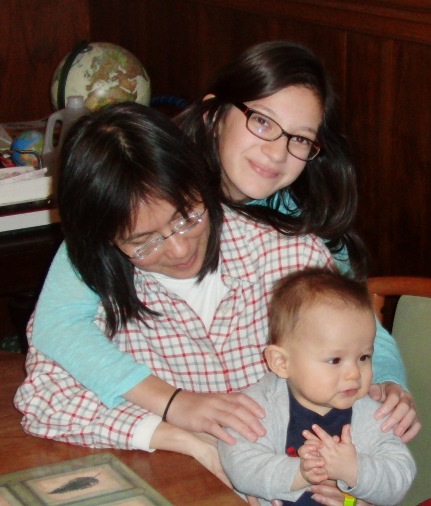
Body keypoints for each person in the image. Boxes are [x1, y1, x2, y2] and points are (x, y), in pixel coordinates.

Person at [30, 42, 419, 452]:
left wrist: (388, 379)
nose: (276, 153)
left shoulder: (296, 226)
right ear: (213, 115)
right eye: (263, 122)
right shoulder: (144, 190)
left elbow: (356, 320)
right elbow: (57, 325)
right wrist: (172, 405)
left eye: (300, 139)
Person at [15, 102, 335, 486]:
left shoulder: (291, 259)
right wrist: (177, 433)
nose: (180, 250)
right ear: (106, 240)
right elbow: (43, 400)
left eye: (187, 217)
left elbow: (348, 375)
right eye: (144, 242)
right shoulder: (98, 287)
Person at [218, 268, 416, 505]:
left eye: (364, 357)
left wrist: (354, 470)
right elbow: (238, 462)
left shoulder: (371, 414)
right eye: (335, 360)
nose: (354, 373)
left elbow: (400, 475)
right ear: (281, 362)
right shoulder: (259, 405)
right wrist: (300, 473)